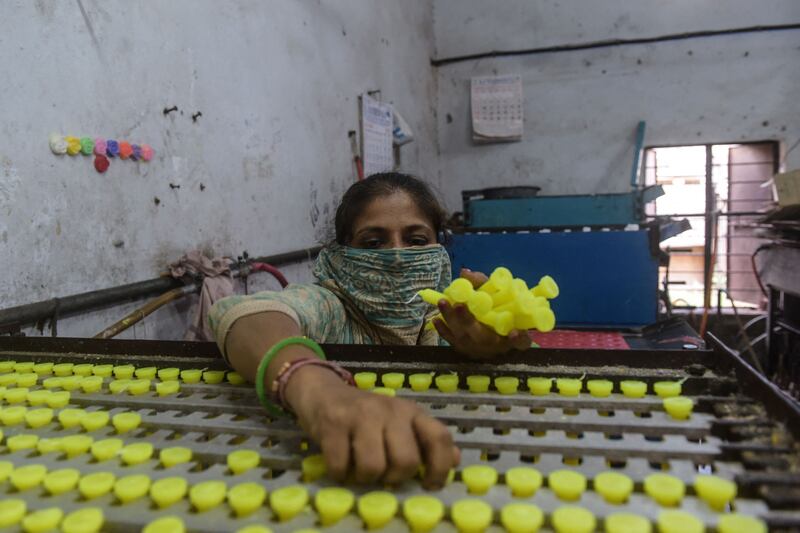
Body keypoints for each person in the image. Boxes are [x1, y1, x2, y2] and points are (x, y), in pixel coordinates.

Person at [209, 172, 533, 488]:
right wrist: (316, 387)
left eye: (416, 240)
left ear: (438, 250)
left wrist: (494, 345)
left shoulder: (449, 319)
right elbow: (244, 315)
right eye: (373, 242)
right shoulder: (331, 308)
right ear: (342, 254)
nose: (396, 255)